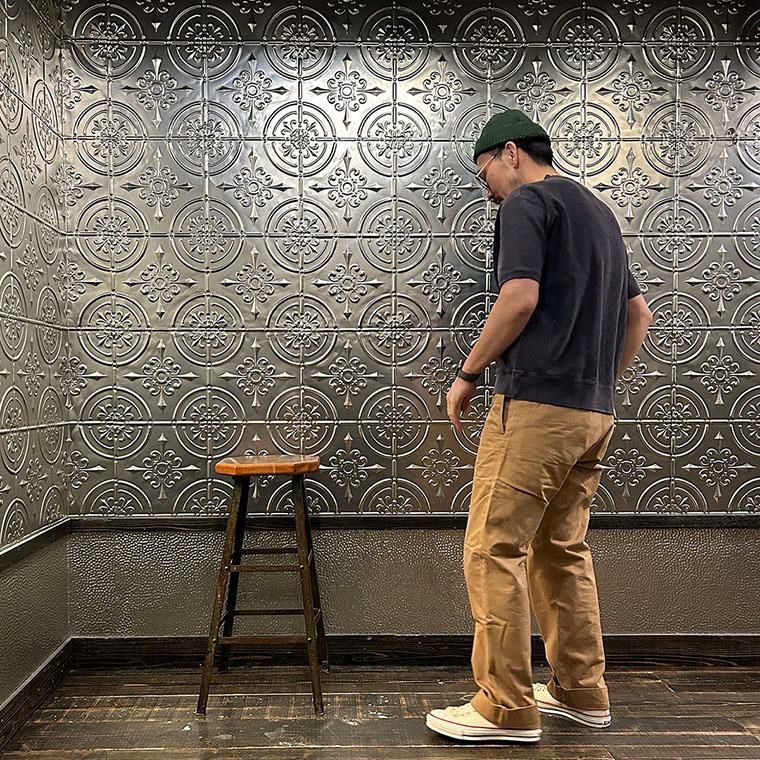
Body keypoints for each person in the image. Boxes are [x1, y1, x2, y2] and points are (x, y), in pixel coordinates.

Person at [425, 109, 652, 744]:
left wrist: (468, 372)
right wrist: (598, 383)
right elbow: (638, 315)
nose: (489, 191)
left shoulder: (528, 202)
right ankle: (581, 691)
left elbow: (519, 298)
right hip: (592, 413)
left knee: (493, 547)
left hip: (535, 408)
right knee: (561, 549)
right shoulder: (599, 213)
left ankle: (505, 706)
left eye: (486, 175)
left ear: (511, 154)